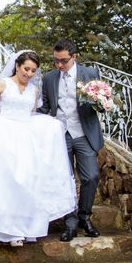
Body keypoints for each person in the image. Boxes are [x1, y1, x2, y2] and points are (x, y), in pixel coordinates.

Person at [0, 50, 77, 247]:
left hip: (25, 138)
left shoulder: (34, 90)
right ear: (17, 66)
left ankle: (24, 228)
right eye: (26, 69)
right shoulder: (3, 84)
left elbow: (31, 115)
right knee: (9, 181)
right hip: (5, 135)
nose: (29, 74)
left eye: (33, 70)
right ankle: (8, 229)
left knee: (27, 181)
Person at [39, 39, 104, 242]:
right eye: (56, 61)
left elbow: (100, 102)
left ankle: (85, 217)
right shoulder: (49, 78)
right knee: (64, 180)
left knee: (91, 177)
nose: (59, 65)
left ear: (74, 57)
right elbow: (46, 107)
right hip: (60, 135)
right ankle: (70, 223)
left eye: (63, 61)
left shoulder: (90, 74)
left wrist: (103, 103)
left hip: (84, 133)